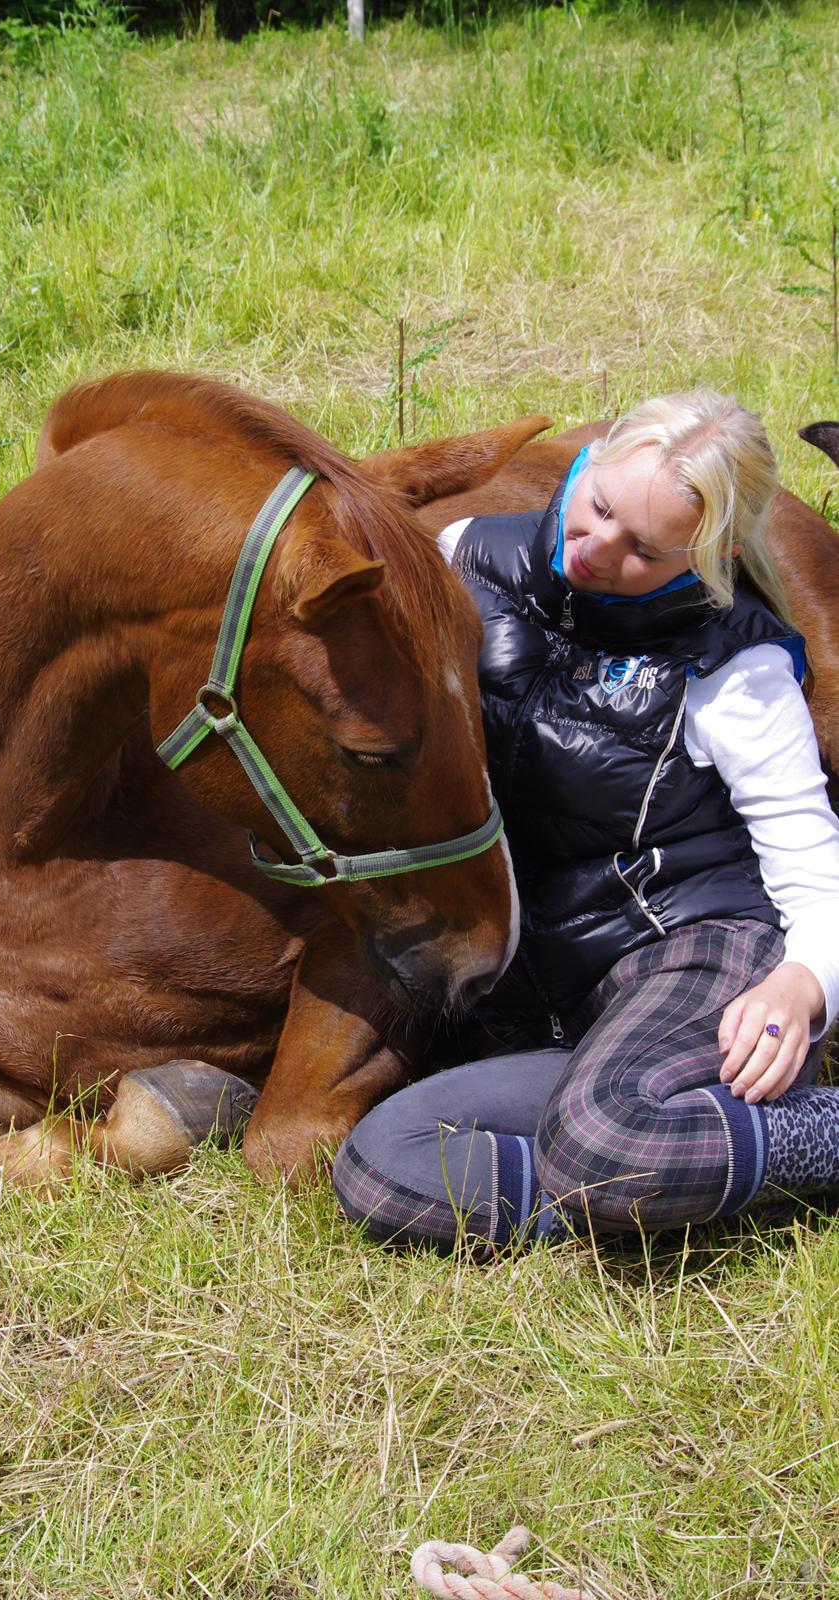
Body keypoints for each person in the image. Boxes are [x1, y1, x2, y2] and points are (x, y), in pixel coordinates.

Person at [332, 390, 839, 1252]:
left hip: (692, 954)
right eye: (596, 507)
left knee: (602, 1141)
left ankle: (797, 1138)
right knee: (380, 1162)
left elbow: (809, 859)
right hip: (555, 1006)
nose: (596, 549)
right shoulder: (464, 558)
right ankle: (646, 1164)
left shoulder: (735, 666)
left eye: (641, 548)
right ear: (581, 470)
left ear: (705, 556)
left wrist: (802, 985)